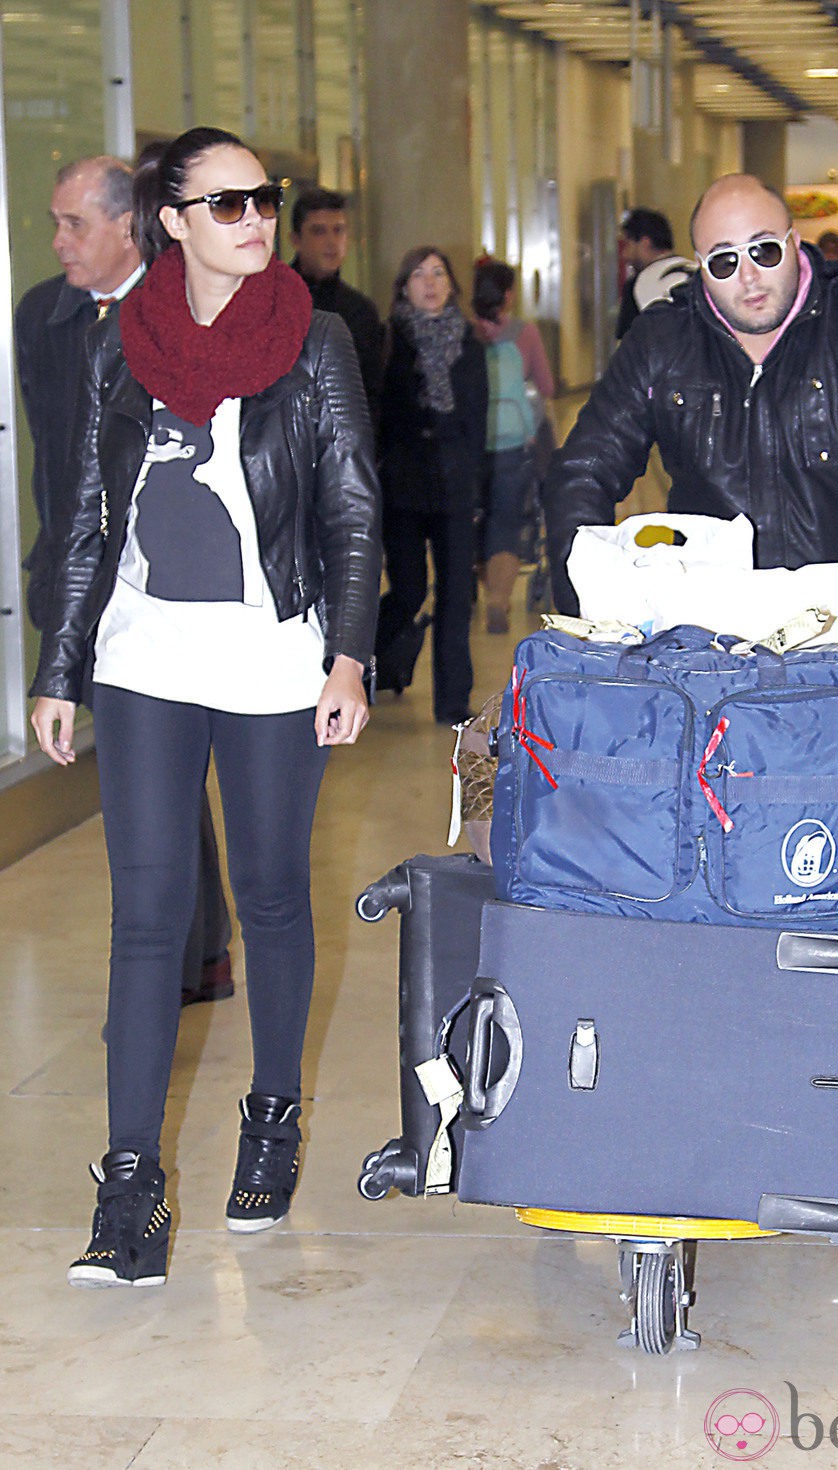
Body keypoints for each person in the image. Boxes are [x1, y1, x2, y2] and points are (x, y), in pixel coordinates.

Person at [29, 125, 381, 1287]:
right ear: (168, 222)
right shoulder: (120, 347)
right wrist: (58, 663)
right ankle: (128, 1183)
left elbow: (350, 508)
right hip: (146, 657)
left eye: (263, 201)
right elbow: (85, 515)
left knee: (272, 894)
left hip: (274, 657)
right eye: (225, 204)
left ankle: (270, 1118)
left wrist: (348, 656)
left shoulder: (315, 341)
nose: (254, 221)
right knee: (149, 917)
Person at [545, 173, 838, 659]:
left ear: (794, 241)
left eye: (764, 251)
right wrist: (591, 613)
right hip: (708, 649)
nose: (749, 276)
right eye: (724, 260)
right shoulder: (662, 342)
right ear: (699, 268)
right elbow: (582, 471)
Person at [15, 154, 235, 1011]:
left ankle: (195, 946)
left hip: (168, 577)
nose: (60, 241)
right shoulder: (45, 315)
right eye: (57, 223)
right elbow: (53, 458)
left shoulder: (178, 309)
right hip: (83, 578)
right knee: (147, 778)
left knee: (171, 771)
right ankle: (178, 945)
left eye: (75, 223)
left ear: (123, 226)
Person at [374, 246, 488, 723]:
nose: (430, 282)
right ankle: (366, 657)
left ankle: (452, 699)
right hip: (402, 481)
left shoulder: (469, 343)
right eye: (419, 274)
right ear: (404, 286)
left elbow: (477, 419)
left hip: (455, 480)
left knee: (458, 591)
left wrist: (481, 488)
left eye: (439, 273)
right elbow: (378, 411)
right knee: (409, 588)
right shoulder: (389, 341)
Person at [472, 258, 555, 634]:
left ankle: (480, 583)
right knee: (507, 520)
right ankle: (499, 599)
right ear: (507, 294)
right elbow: (548, 387)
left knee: (477, 520)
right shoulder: (525, 333)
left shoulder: (464, 331)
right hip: (514, 441)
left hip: (472, 445)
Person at [290, 187, 383, 426]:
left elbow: (370, 393)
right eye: (319, 231)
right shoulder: (273, 300)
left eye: (338, 230)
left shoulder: (361, 311)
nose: (331, 242)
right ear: (296, 240)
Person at [616, 207, 695, 340]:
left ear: (644, 243)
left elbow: (627, 347)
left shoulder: (638, 284)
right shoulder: (697, 270)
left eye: (627, 245)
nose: (624, 255)